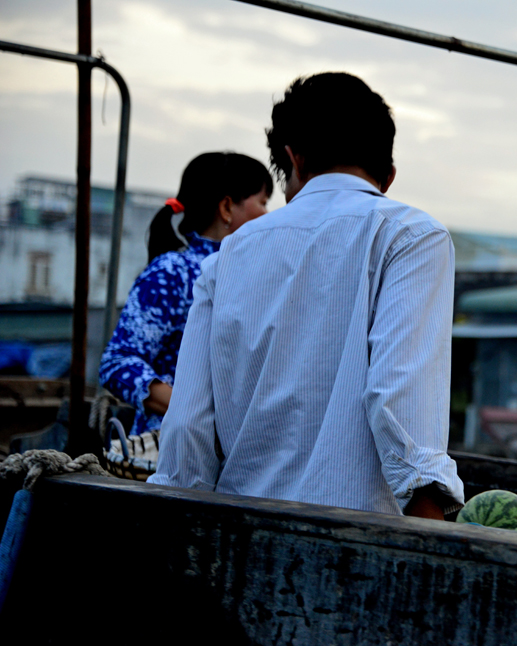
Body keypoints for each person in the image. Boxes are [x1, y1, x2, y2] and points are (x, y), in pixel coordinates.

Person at [148, 73, 464, 521]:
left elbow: (187, 429)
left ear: (293, 157)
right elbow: (402, 399)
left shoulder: (227, 256)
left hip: (240, 536)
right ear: (388, 177)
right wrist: (428, 538)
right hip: (358, 541)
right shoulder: (411, 236)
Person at [99, 152, 273, 435]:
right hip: (171, 448)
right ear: (227, 207)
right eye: (263, 203)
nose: (268, 215)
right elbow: (118, 363)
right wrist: (194, 414)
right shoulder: (172, 272)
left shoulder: (257, 273)